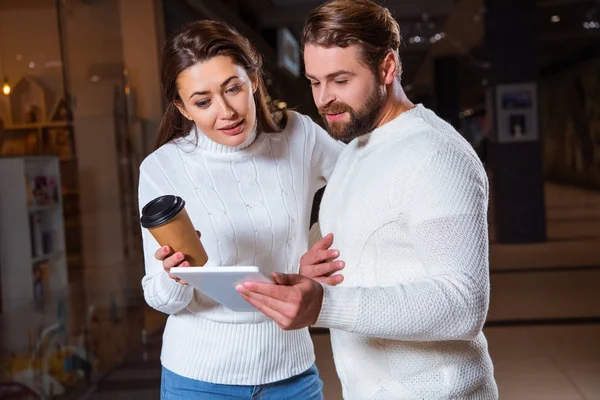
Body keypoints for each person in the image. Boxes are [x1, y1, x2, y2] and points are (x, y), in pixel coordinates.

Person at [236, 0, 499, 398]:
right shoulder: (354, 150)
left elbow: (463, 305)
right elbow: (360, 235)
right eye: (314, 81)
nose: (324, 99)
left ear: (387, 68)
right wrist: (308, 262)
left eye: (340, 80)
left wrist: (323, 305)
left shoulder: (436, 155)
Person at [138, 20, 345, 399]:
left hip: (292, 373)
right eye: (203, 102)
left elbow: (361, 189)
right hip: (197, 379)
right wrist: (176, 276)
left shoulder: (298, 134)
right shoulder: (161, 168)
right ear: (183, 108)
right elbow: (161, 298)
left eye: (232, 88)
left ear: (253, 79)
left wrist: (318, 245)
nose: (226, 111)